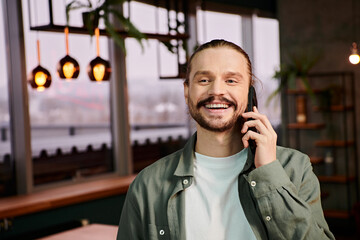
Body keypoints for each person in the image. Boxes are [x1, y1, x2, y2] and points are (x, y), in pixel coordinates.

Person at [117, 39, 334, 240]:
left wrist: (269, 171)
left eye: (231, 80)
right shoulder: (148, 185)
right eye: (204, 80)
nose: (217, 90)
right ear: (187, 91)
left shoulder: (295, 168)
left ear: (249, 93)